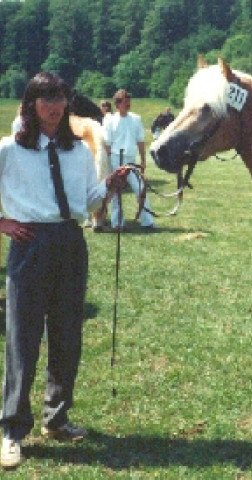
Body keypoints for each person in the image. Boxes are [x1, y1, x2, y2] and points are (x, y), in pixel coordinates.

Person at [0, 72, 130, 470]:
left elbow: (88, 201)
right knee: (23, 339)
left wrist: (109, 185)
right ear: (32, 104)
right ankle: (11, 431)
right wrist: (2, 223)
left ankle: (56, 418)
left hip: (70, 245)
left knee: (67, 336)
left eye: (59, 99)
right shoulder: (9, 149)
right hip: (29, 245)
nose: (54, 107)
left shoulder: (77, 152)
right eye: (46, 100)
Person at [103, 89, 155, 230]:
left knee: (140, 189)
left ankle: (148, 221)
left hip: (131, 160)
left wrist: (143, 160)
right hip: (115, 159)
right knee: (116, 192)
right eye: (125, 103)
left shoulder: (136, 119)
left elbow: (140, 141)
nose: (128, 105)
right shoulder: (109, 121)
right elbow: (107, 144)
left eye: (129, 102)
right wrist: (109, 166)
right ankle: (118, 223)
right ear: (118, 104)